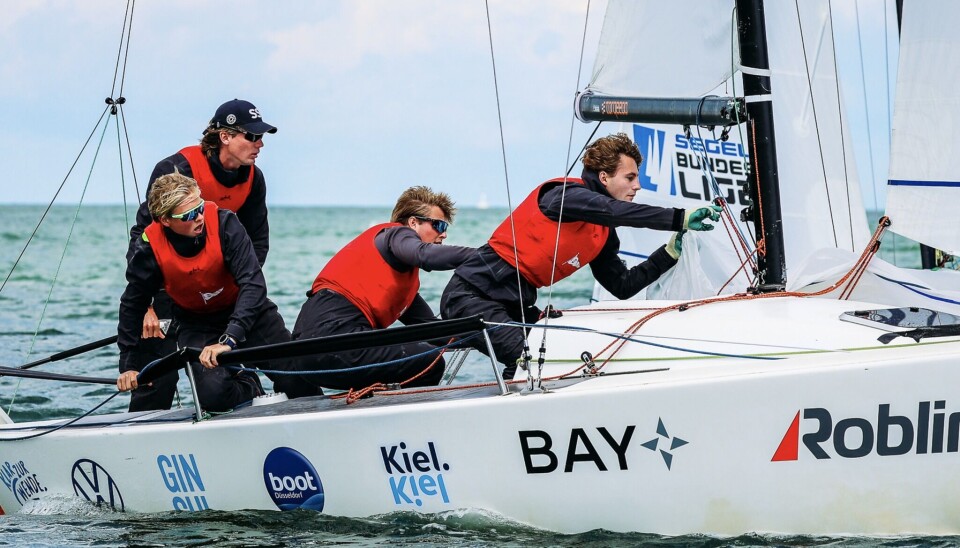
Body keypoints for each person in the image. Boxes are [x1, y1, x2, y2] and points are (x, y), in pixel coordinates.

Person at [440, 132, 722, 379]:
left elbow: (621, 286)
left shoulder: (601, 233)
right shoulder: (562, 196)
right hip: (470, 296)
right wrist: (679, 217)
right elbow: (614, 211)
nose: (637, 186)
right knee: (533, 361)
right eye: (630, 177)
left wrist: (668, 254)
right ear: (604, 177)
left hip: (516, 304)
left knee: (544, 362)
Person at [125, 99, 278, 412]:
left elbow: (256, 243)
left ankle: (247, 390)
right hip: (171, 287)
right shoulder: (176, 170)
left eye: (261, 137)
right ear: (225, 136)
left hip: (224, 285)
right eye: (251, 136)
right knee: (154, 382)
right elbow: (143, 240)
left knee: (275, 359)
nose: (259, 144)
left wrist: (235, 291)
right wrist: (148, 307)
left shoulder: (253, 179)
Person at [116, 172, 300, 412]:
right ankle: (249, 385)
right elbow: (133, 302)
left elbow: (253, 283)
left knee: (296, 380)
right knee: (213, 396)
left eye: (200, 207)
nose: (199, 217)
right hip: (197, 323)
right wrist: (128, 365)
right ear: (165, 220)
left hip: (247, 311)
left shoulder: (225, 224)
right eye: (189, 216)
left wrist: (230, 338)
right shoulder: (148, 248)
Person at [287, 186, 476, 393]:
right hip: (328, 337)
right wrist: (487, 256)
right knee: (428, 360)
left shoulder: (403, 285)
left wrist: (491, 333)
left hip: (313, 355)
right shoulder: (395, 234)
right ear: (413, 223)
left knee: (428, 357)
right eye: (438, 225)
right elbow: (425, 254)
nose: (444, 234)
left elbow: (435, 332)